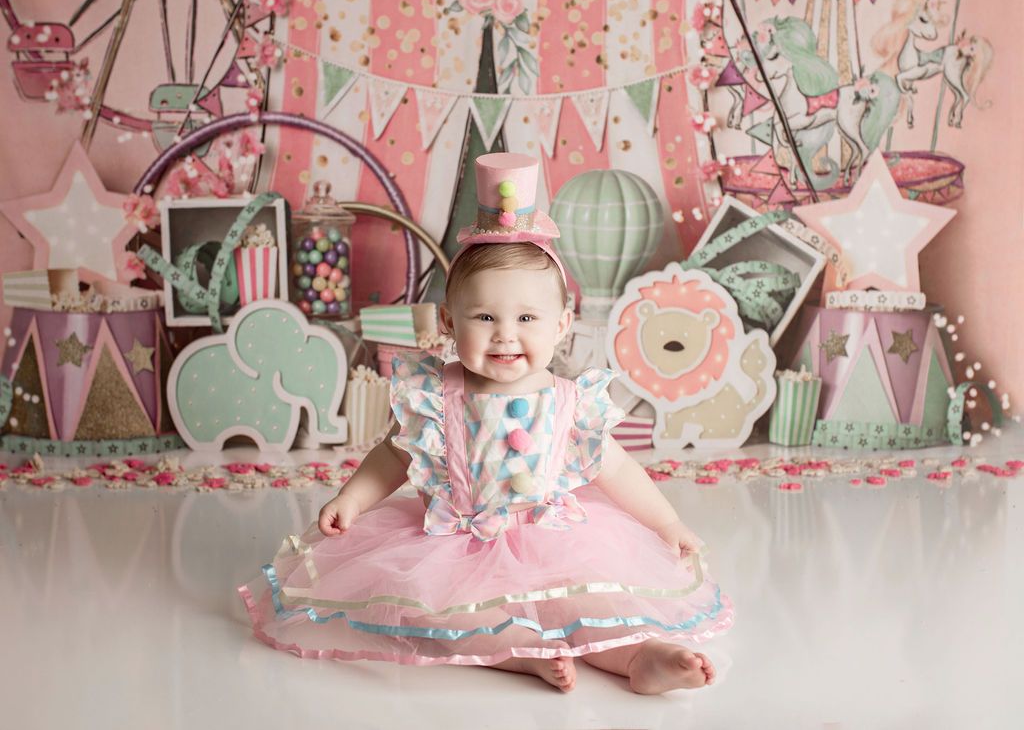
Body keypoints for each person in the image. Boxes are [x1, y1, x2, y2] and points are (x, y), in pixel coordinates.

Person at [238, 153, 733, 694]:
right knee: (442, 617)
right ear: (449, 322)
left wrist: (667, 525)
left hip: (554, 541)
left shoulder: (571, 401)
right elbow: (394, 456)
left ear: (562, 323)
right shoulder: (436, 396)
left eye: (526, 318)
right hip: (459, 544)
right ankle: (518, 657)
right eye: (484, 317)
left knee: (594, 607)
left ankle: (644, 657)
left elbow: (617, 470)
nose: (504, 335)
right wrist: (352, 500)